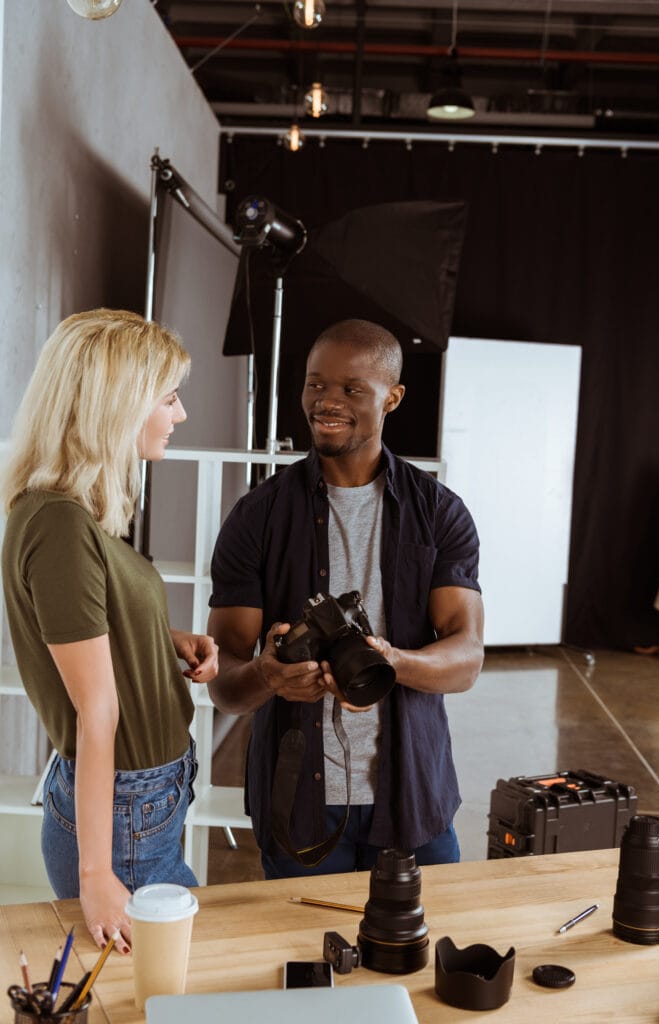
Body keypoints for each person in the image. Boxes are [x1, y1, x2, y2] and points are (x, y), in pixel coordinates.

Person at [207, 318, 484, 879]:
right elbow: (225, 683)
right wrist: (268, 676)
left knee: (418, 958)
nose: (326, 402)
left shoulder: (439, 513)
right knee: (310, 965)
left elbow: (467, 658)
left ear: (393, 398)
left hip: (413, 801)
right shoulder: (257, 517)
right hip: (298, 808)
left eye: (352, 388)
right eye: (316, 385)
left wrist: (393, 663)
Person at [1, 309, 218, 952]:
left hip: (142, 799)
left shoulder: (72, 511)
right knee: (149, 989)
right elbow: (96, 710)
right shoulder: (60, 523)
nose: (179, 415)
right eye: (169, 398)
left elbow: (90, 623)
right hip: (127, 811)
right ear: (116, 405)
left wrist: (160, 637)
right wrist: (96, 874)